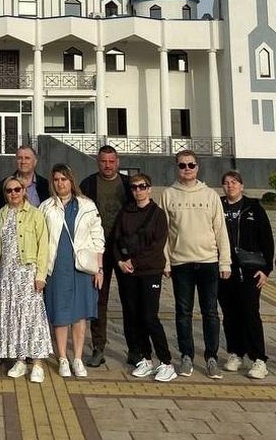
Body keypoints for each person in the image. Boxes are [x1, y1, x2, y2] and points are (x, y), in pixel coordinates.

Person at [160, 150, 231, 380]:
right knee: (183, 312)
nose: (187, 169)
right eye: (182, 165)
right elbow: (164, 233)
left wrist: (225, 261)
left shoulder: (210, 195)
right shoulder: (168, 194)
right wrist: (166, 262)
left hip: (208, 261)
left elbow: (221, 230)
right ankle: (186, 355)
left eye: (191, 165)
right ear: (177, 168)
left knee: (210, 312)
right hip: (181, 262)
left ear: (197, 167)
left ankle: (211, 357)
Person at [40, 163, 104, 379]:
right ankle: (62, 358)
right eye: (56, 179)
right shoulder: (47, 207)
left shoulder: (87, 205)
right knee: (60, 313)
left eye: (64, 179)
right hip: (57, 267)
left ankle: (77, 357)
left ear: (71, 181)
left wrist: (99, 268)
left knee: (79, 314)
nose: (60, 183)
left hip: (82, 267)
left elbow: (98, 237)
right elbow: (42, 239)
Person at [110, 174, 175, 382]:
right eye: (134, 187)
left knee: (150, 316)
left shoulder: (157, 214)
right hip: (129, 272)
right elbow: (116, 238)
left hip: (149, 272)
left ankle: (166, 362)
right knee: (134, 315)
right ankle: (146, 358)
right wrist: (120, 261)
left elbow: (157, 246)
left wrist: (134, 262)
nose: (138, 190)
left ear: (150, 189)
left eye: (142, 187)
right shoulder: (126, 212)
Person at [0, 176, 51, 384]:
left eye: (17, 190)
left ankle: (38, 363)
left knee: (32, 318)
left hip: (28, 273)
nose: (13, 194)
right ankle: (20, 359)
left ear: (24, 190)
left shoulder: (35, 215)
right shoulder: (1, 214)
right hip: (7, 275)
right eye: (9, 191)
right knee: (13, 318)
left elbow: (44, 247)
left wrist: (41, 275)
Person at [79, 145, 135, 367]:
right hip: (98, 251)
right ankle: (98, 347)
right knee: (98, 300)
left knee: (129, 300)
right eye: (103, 161)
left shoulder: (129, 185)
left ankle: (135, 348)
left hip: (123, 250)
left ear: (118, 162)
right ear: (97, 161)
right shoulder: (88, 184)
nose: (108, 165)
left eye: (111, 161)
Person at [217, 171, 274, 380]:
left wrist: (266, 269)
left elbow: (267, 239)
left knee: (250, 313)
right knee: (229, 314)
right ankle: (235, 353)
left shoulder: (253, 207)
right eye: (226, 182)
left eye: (234, 182)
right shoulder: (218, 205)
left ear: (241, 185)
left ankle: (259, 359)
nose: (230, 186)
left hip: (249, 270)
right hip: (224, 269)